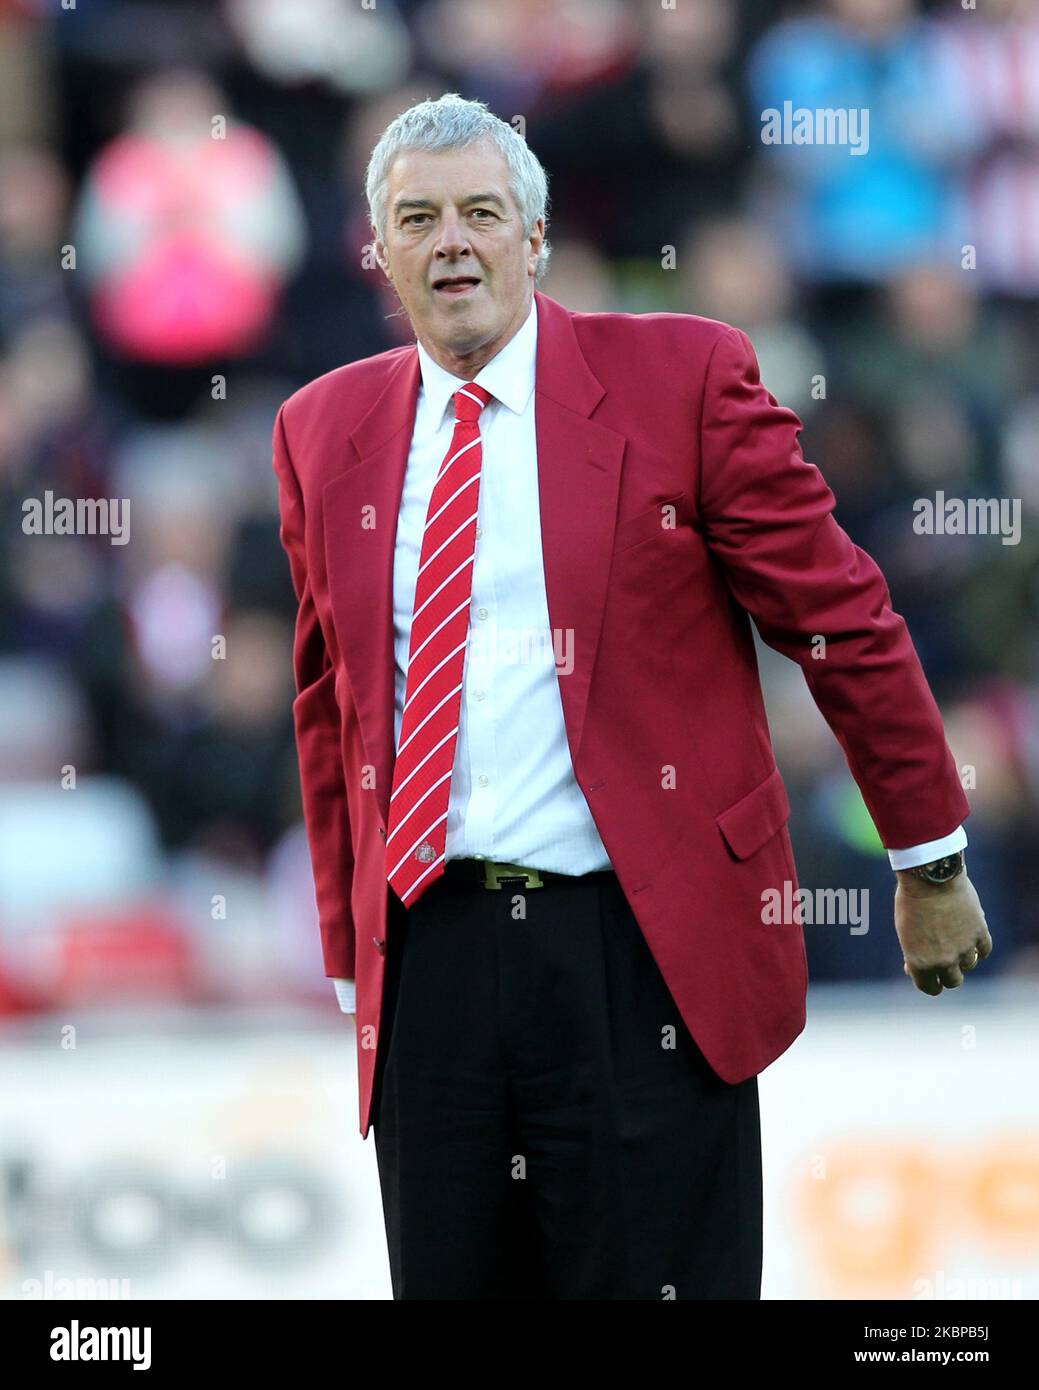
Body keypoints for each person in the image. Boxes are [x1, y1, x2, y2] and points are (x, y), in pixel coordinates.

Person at [271, 93, 992, 1300]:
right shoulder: (316, 427)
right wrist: (356, 962)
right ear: (379, 252)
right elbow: (330, 705)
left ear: (535, 237)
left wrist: (927, 859)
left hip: (638, 954)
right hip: (433, 968)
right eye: (417, 219)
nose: (451, 241)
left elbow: (839, 620)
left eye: (480, 214)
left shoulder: (684, 377)